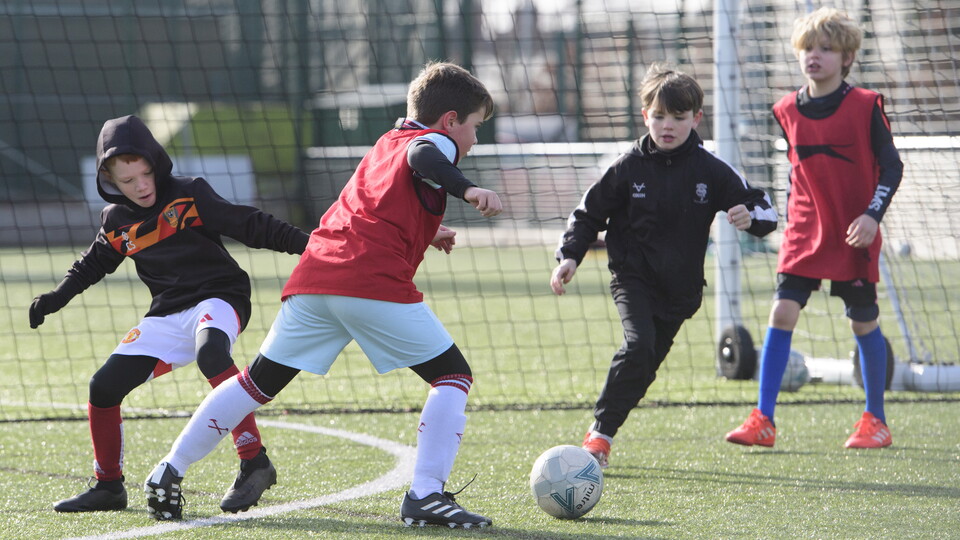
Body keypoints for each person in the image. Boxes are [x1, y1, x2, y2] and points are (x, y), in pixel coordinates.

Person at [142, 62, 501, 528]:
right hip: (367, 282)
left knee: (254, 384)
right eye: (474, 127)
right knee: (453, 376)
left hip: (315, 278)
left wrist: (426, 233)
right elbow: (424, 158)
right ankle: (425, 495)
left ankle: (169, 469)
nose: (473, 139)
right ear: (450, 120)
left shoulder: (384, 143)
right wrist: (469, 188)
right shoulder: (434, 144)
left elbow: (374, 202)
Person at [31, 115, 309, 515]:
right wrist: (55, 297)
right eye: (128, 181)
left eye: (145, 174)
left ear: (156, 163)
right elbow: (92, 264)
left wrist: (311, 245)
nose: (141, 186)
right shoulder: (114, 221)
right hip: (166, 312)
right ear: (109, 179)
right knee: (102, 388)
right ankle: (109, 486)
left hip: (219, 297)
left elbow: (251, 225)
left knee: (212, 355)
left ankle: (254, 460)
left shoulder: (189, 195)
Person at [551, 63, 778, 469]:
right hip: (633, 278)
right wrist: (570, 256)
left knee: (645, 366)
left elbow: (765, 208)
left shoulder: (711, 168)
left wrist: (750, 218)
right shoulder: (627, 166)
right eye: (658, 116)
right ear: (645, 116)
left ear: (696, 119)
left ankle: (602, 434)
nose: (667, 125)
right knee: (638, 346)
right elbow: (587, 214)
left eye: (678, 117)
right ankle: (599, 439)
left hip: (681, 291)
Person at [726, 7, 903, 449]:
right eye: (808, 48)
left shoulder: (865, 105)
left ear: (846, 58)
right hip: (804, 230)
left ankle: (875, 420)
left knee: (863, 323)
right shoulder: (785, 109)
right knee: (781, 312)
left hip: (854, 231)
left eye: (826, 49)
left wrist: (871, 216)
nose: (815, 56)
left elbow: (892, 168)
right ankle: (763, 419)